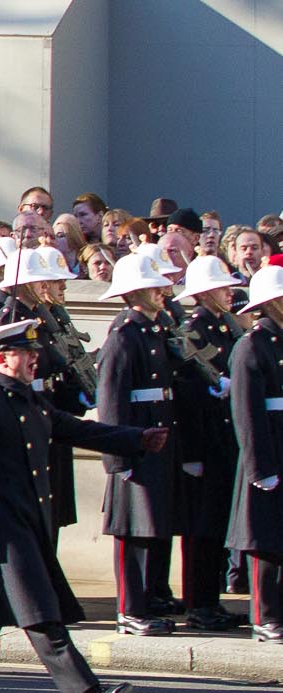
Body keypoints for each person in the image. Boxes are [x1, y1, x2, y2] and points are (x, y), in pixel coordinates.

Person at [0, 318, 166, 693]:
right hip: (4, 534)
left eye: (35, 352)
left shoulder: (28, 402)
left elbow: (75, 430)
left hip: (26, 525)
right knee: (40, 614)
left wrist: (135, 438)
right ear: (1, 359)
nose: (36, 359)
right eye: (26, 353)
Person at [97, 251, 191, 634]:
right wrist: (120, 456)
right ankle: (129, 610)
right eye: (154, 286)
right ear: (135, 292)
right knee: (132, 531)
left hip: (158, 441)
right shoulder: (123, 335)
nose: (163, 291)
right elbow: (113, 400)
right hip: (136, 443)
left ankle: (147, 602)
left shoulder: (154, 329)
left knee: (152, 527)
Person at [172, 254, 248, 632]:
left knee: (217, 525)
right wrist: (192, 454)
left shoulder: (225, 327)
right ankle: (198, 603)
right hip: (204, 443)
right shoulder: (193, 332)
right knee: (200, 529)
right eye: (222, 287)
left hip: (224, 441)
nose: (229, 292)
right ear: (204, 293)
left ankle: (211, 600)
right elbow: (188, 397)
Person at [227, 265, 283, 644]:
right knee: (265, 539)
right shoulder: (251, 344)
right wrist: (259, 467)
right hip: (268, 448)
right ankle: (265, 615)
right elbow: (246, 412)